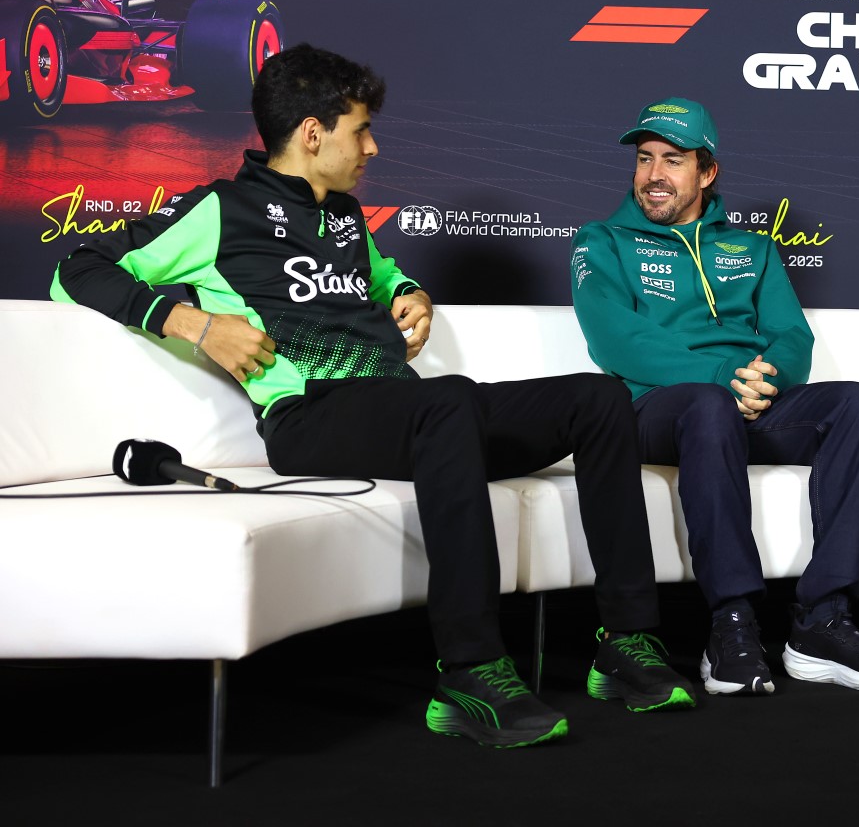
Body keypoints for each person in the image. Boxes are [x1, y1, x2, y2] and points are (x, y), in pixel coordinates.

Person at [51, 43, 695, 749]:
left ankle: (627, 644)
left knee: (597, 399)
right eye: (361, 130)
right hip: (308, 418)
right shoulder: (219, 209)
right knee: (449, 400)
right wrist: (194, 322)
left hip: (408, 416)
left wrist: (411, 294)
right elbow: (78, 269)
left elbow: (385, 279)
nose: (373, 146)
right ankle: (471, 673)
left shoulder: (346, 217)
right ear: (312, 133)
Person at [569, 97, 859, 697]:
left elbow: (792, 337)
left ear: (706, 173)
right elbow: (615, 340)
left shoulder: (751, 250)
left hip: (743, 404)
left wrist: (761, 379)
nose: (654, 175)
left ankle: (821, 620)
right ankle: (731, 624)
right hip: (657, 409)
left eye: (673, 161)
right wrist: (728, 375)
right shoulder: (601, 242)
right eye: (645, 159)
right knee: (705, 403)